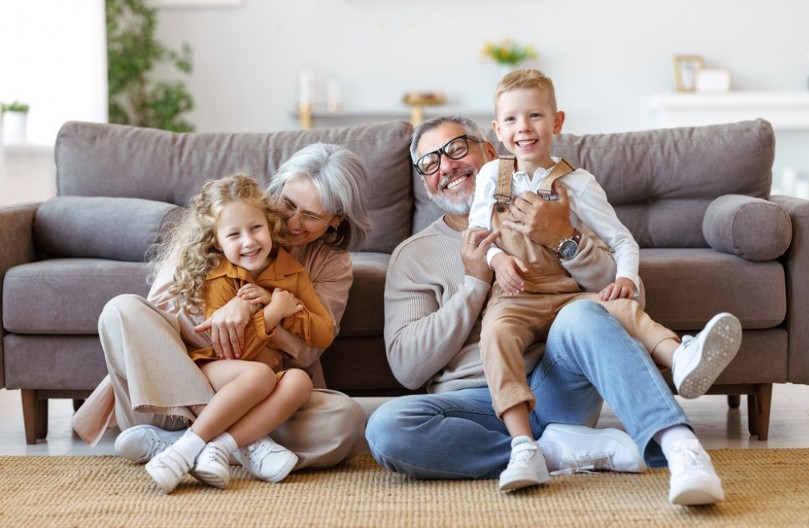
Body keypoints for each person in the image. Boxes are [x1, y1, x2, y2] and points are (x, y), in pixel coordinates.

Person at [365, 115, 727, 505]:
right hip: (473, 407)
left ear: (491, 151)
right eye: (431, 163)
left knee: (583, 314)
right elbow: (407, 367)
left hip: (554, 386)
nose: (447, 167)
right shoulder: (413, 255)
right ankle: (553, 451)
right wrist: (475, 283)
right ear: (425, 182)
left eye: (455, 149)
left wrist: (563, 239)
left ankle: (680, 449)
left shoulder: (551, 208)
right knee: (387, 428)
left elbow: (625, 301)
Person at [469, 69, 741, 490]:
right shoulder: (491, 177)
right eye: (511, 120)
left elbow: (622, 241)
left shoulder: (578, 183)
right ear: (497, 130)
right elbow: (477, 236)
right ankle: (524, 447)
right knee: (496, 334)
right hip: (516, 296)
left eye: (535, 115)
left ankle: (681, 356)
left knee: (618, 308)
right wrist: (497, 257)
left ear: (557, 122)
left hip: (566, 296)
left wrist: (627, 278)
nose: (523, 127)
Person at [72, 143, 373, 480]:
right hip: (172, 392)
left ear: (336, 221)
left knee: (346, 422)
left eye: (311, 215)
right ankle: (245, 445)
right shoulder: (232, 216)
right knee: (121, 310)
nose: (291, 221)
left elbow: (308, 351)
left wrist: (262, 312)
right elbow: (162, 315)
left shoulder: (331, 264)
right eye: (288, 204)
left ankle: (181, 445)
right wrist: (232, 309)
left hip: (261, 396)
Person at [142, 173, 335, 493]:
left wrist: (288, 308)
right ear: (218, 241)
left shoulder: (291, 271)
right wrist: (272, 314)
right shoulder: (220, 274)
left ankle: (220, 447)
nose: (249, 241)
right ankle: (185, 450)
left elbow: (324, 333)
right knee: (258, 374)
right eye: (234, 234)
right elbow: (230, 352)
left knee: (300, 381)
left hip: (255, 376)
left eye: (256, 228)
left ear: (271, 225)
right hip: (212, 368)